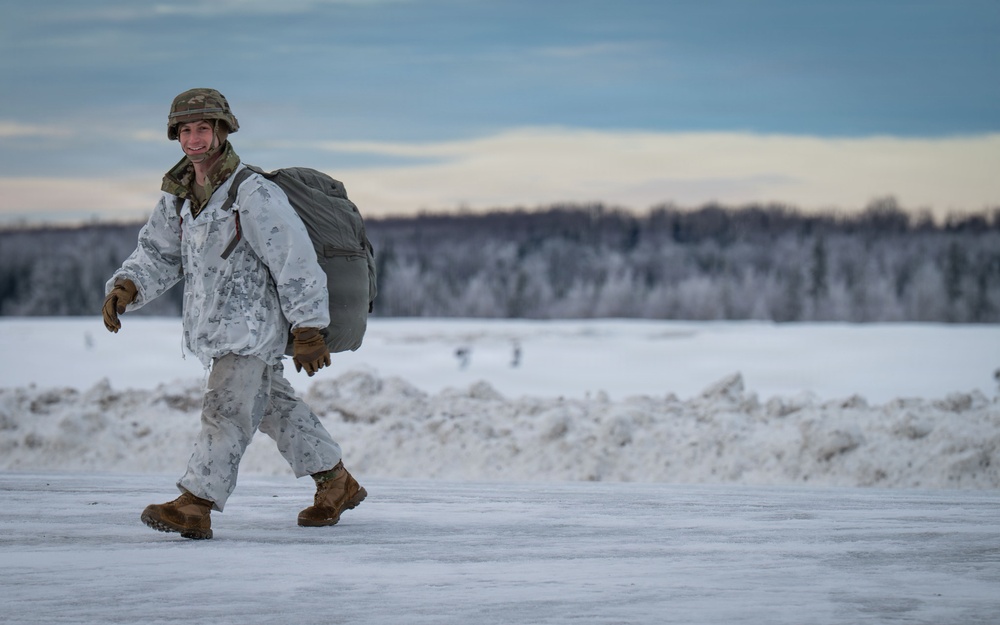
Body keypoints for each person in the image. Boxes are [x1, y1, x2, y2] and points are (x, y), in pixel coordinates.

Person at [102, 88, 366, 540]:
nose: (194, 138)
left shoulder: (253, 192)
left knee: (225, 410)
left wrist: (308, 327)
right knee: (272, 408)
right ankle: (335, 481)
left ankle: (196, 502)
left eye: (203, 128)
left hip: (251, 328)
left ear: (222, 131)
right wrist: (128, 286)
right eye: (185, 130)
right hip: (216, 328)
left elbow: (293, 258)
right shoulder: (179, 196)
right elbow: (159, 253)